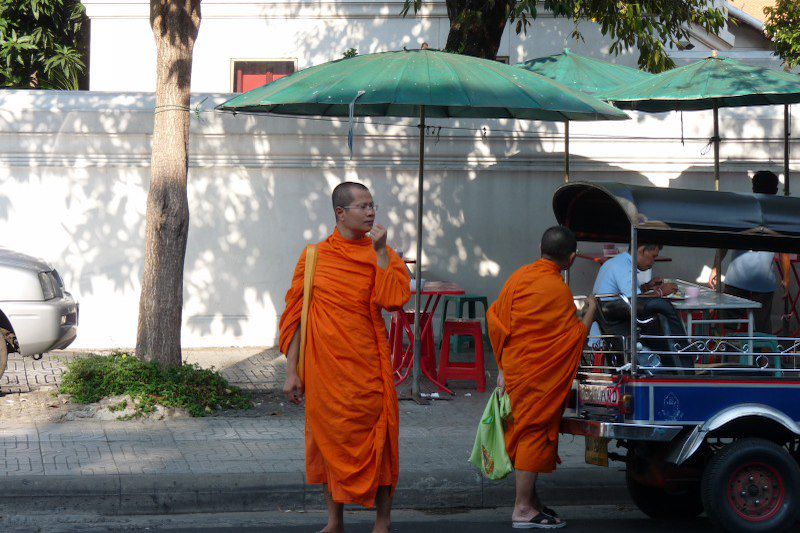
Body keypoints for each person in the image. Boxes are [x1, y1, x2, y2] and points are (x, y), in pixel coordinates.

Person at [279, 182, 410, 533]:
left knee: (380, 442)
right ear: (340, 213)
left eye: (373, 206)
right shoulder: (315, 258)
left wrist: (382, 254)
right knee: (328, 442)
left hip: (369, 367)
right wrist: (291, 371)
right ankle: (334, 521)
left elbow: (396, 298)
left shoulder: (383, 253)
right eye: (363, 207)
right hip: (326, 372)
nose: (371, 213)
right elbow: (297, 318)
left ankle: (382, 523)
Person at [487, 226, 598, 529]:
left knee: (525, 432)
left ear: (541, 248)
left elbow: (495, 320)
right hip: (538, 377)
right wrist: (591, 309)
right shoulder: (557, 289)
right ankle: (522, 508)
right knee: (534, 434)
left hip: (517, 370)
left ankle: (532, 502)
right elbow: (574, 338)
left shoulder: (518, 277)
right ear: (572, 258)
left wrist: (502, 365)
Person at [709, 170, 787, 333]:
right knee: (762, 328)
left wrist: (715, 267)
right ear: (775, 190)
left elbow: (725, 241)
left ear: (753, 188)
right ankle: (763, 358)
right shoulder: (779, 212)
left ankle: (729, 356)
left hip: (737, 277)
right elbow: (784, 249)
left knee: (729, 327)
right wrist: (786, 278)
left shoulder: (741, 208)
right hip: (763, 280)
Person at [591, 244, 687, 353]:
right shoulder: (624, 267)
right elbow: (635, 300)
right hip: (612, 328)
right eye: (653, 256)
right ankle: (677, 356)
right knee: (659, 315)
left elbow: (627, 294)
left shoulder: (618, 261)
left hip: (610, 321)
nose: (653, 261)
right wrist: (661, 292)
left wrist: (648, 286)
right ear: (641, 250)